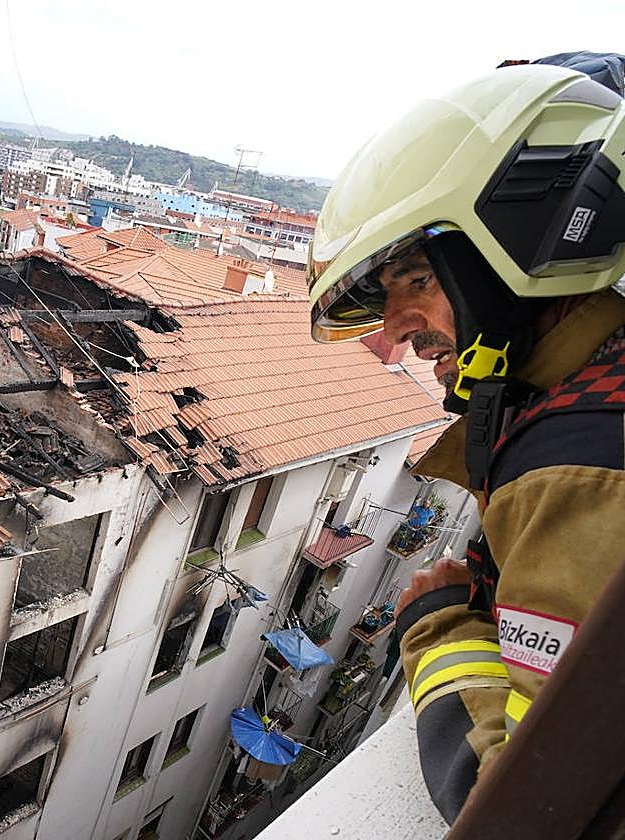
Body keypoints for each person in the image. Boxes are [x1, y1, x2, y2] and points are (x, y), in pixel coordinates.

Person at [305, 61, 625, 823]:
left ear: (519, 246)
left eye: (415, 279)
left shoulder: (578, 474)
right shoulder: (583, 390)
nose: (393, 332)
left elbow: (520, 807)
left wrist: (439, 625)